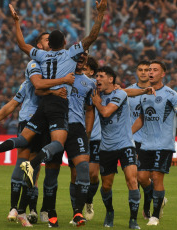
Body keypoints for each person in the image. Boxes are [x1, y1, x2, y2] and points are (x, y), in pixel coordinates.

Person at [0, 1, 107, 226]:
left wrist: (17, 23)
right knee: (58, 142)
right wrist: (101, 13)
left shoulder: (39, 56)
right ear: (65, 43)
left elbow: (21, 44)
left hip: (41, 106)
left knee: (23, 139)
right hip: (58, 107)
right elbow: (91, 37)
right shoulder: (69, 54)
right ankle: (34, 163)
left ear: (50, 44)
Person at [0, 32, 73, 227]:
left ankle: (26, 209)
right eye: (45, 40)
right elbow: (38, 88)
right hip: (38, 117)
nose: (48, 42)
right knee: (30, 168)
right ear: (38, 46)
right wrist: (61, 83)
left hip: (38, 118)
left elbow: (13, 103)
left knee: (30, 169)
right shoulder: (35, 65)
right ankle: (20, 209)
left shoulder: (47, 66)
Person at [91, 66, 154, 229]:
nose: (97, 78)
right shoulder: (99, 92)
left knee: (132, 181)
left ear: (111, 79)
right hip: (106, 147)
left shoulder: (117, 94)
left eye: (101, 76)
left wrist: (97, 103)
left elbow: (105, 112)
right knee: (106, 186)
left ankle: (133, 220)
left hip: (126, 144)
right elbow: (129, 92)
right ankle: (109, 212)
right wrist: (142, 92)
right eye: (96, 76)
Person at [132, 60, 177, 226]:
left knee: (157, 178)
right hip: (146, 144)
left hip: (164, 144)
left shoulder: (170, 94)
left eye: (154, 70)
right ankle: (161, 198)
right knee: (142, 177)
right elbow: (142, 118)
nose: (150, 72)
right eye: (149, 69)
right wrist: (128, 133)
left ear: (162, 74)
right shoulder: (143, 94)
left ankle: (155, 216)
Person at [39, 51, 95, 227]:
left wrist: (87, 131)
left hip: (76, 129)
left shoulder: (90, 83)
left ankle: (78, 212)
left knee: (83, 168)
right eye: (78, 55)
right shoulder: (58, 76)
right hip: (56, 126)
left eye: (84, 56)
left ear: (86, 59)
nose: (80, 58)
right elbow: (38, 90)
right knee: (51, 171)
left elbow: (90, 108)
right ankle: (50, 211)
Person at [126, 60, 154, 219]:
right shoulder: (128, 91)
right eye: (140, 70)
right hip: (133, 139)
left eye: (146, 70)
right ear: (136, 72)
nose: (143, 72)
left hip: (151, 140)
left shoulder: (156, 90)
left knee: (147, 178)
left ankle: (149, 204)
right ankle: (147, 207)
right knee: (136, 177)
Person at [81, 56, 100, 220]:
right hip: (76, 136)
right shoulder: (73, 84)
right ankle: (77, 210)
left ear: (92, 72)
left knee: (93, 174)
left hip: (96, 136)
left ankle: (88, 201)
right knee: (80, 174)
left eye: (85, 69)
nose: (82, 71)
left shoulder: (97, 87)